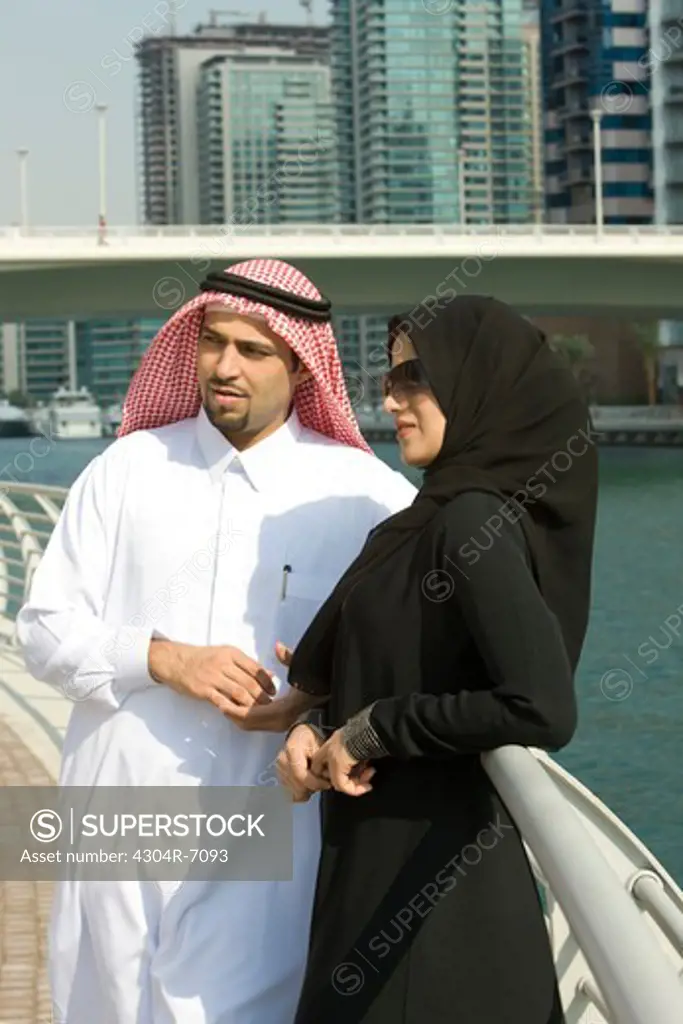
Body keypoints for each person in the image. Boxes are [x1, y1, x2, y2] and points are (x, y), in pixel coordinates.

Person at [16, 258, 417, 1024]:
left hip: (266, 827)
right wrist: (162, 658)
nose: (224, 367)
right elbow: (43, 632)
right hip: (118, 812)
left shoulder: (366, 499)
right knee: (103, 1006)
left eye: (253, 350)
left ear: (301, 365)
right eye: (212, 342)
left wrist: (318, 699)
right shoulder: (127, 471)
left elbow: (414, 667)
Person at [277, 295, 599, 1023]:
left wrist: (374, 729)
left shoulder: (470, 520)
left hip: (442, 903)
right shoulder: (423, 524)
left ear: (475, 382)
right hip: (378, 877)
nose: (390, 399)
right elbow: (410, 667)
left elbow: (540, 705)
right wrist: (316, 726)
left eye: (413, 378)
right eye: (387, 380)